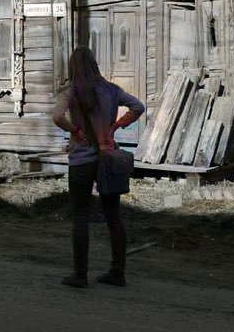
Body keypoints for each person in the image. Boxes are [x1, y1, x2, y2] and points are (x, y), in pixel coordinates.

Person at [52, 46, 146, 288]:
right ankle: (117, 272)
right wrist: (115, 127)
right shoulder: (111, 90)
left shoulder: (71, 90)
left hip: (82, 161)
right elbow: (138, 107)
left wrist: (74, 130)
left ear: (73, 66)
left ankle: (80, 275)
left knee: (80, 217)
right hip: (108, 159)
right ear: (94, 64)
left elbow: (57, 116)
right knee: (113, 216)